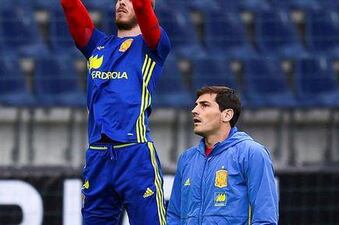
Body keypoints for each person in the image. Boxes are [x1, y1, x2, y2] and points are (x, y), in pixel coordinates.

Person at [60, 0, 171, 224]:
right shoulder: (96, 45)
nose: (121, 2)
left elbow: (142, 7)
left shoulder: (152, 44)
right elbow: (71, 8)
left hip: (134, 154)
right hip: (98, 156)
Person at [167, 86, 279, 225]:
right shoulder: (187, 159)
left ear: (227, 115)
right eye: (196, 105)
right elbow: (174, 215)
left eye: (204, 105)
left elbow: (265, 218)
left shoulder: (252, 153)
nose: (194, 111)